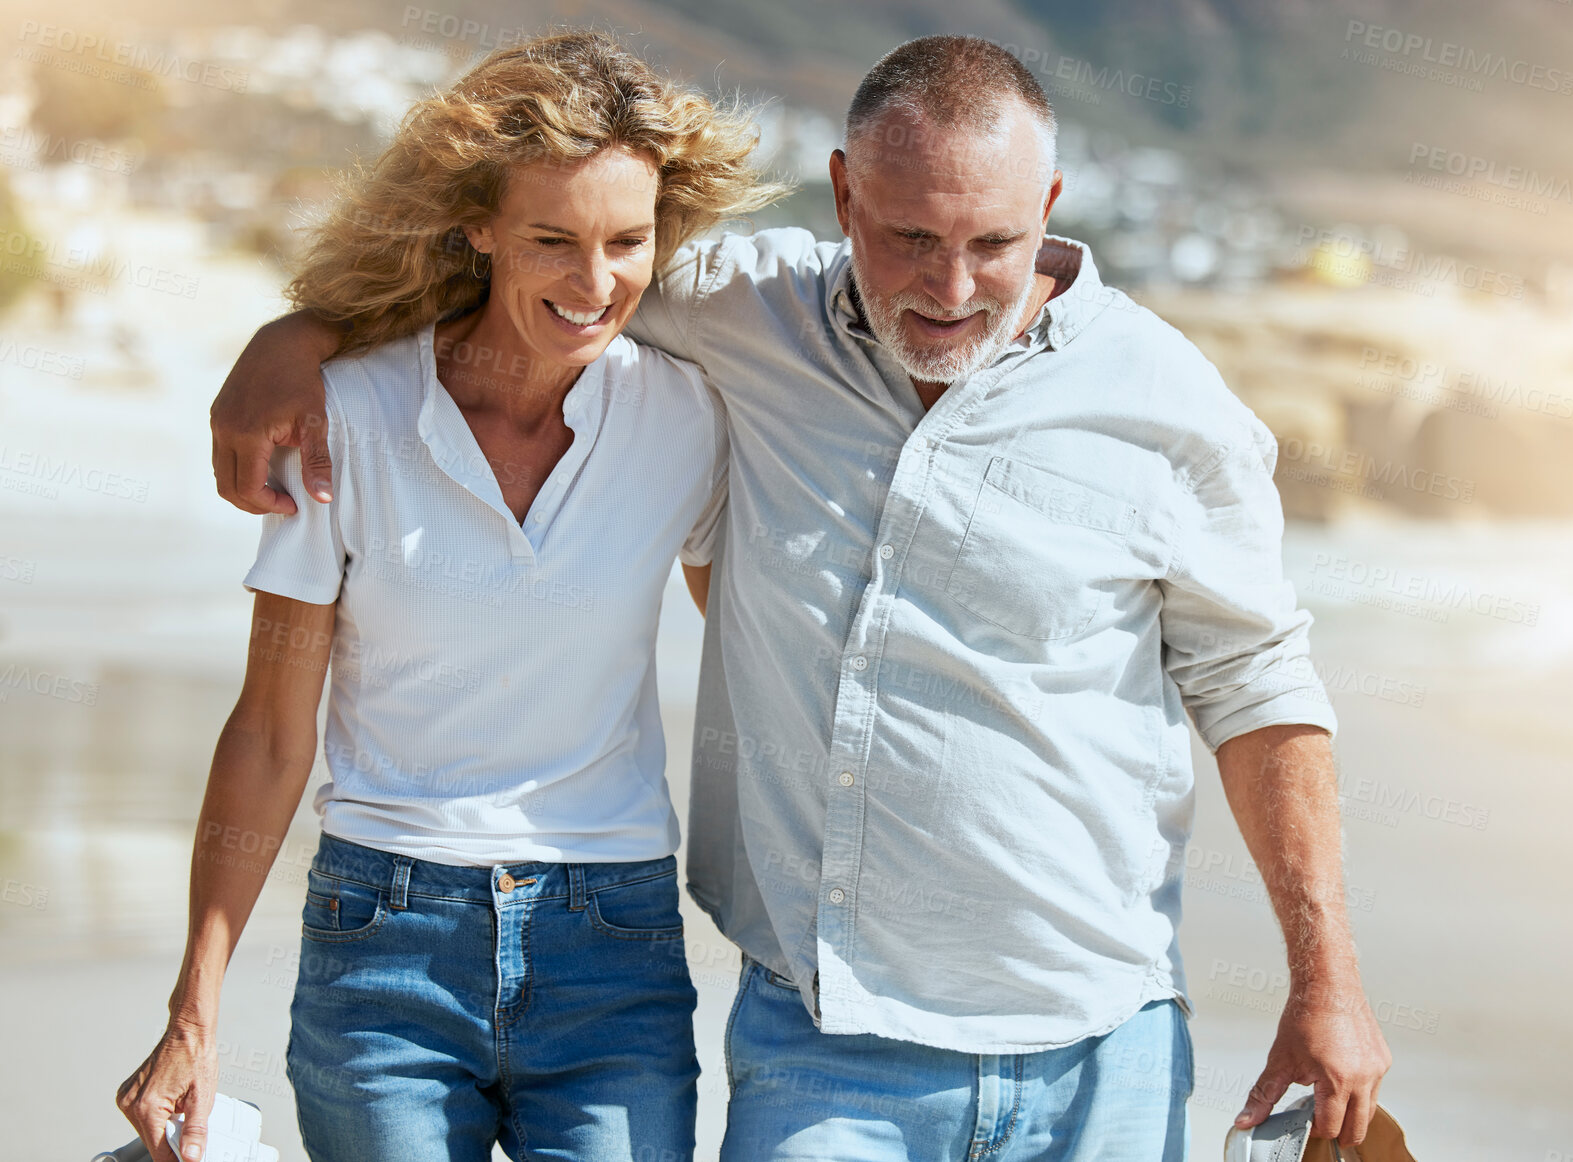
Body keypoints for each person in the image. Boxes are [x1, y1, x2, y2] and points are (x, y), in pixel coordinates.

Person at [206, 34, 1392, 1162]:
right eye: (908, 237)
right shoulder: (740, 316)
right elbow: (536, 275)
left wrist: (1325, 978)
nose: (950, 286)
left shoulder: (1169, 402)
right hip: (826, 1037)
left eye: (995, 243)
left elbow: (1257, 685)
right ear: (839, 196)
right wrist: (296, 333)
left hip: (1101, 1042)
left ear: (1054, 205)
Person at [115, 31, 783, 1162]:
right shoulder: (343, 420)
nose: (594, 282)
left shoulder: (690, 419)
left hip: (611, 936)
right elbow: (272, 730)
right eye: (552, 241)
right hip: (383, 936)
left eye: (628, 242)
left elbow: (769, 655)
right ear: (477, 227)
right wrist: (193, 1009)